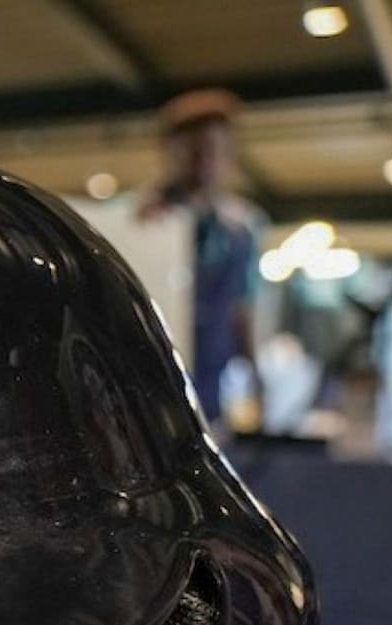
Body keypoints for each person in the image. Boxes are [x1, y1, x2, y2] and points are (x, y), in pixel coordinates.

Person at [141, 88, 266, 418]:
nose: (205, 157)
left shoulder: (243, 226)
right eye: (193, 146)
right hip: (149, 377)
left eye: (216, 147)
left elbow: (241, 305)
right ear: (170, 151)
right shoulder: (139, 218)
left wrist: (254, 372)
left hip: (211, 380)